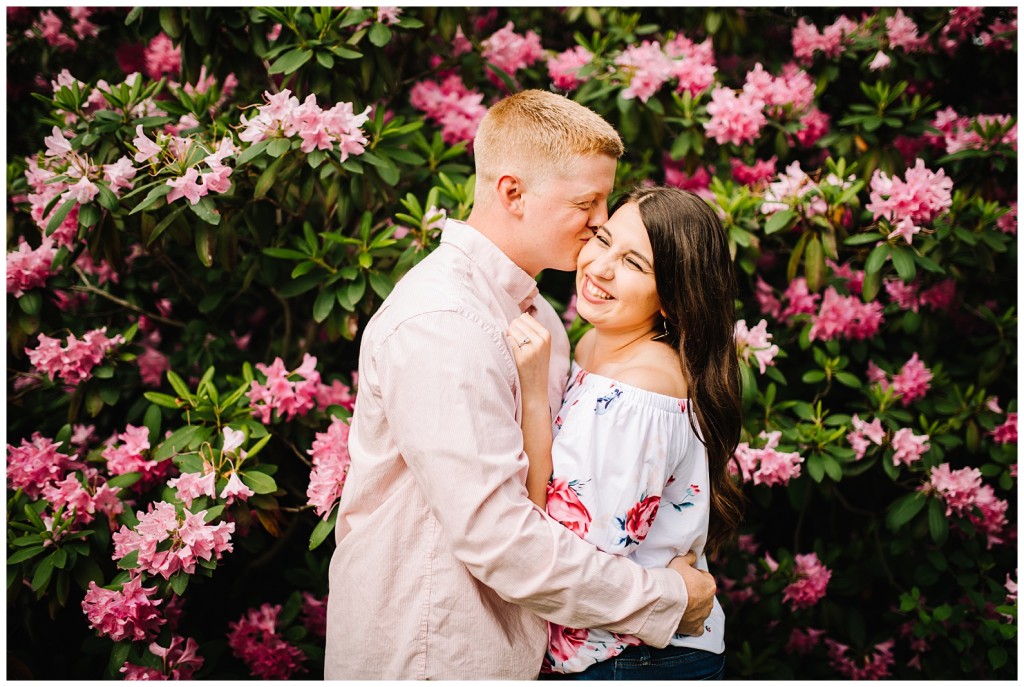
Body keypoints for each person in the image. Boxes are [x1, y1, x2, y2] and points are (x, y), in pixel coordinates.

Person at [324, 91, 717, 680]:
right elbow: (499, 536)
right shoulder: (444, 323)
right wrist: (666, 599)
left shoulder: (540, 315)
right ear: (512, 193)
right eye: (587, 202)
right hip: (432, 652)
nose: (599, 222)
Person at [506, 186, 745, 680]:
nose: (599, 267)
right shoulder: (600, 338)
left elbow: (564, 546)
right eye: (602, 239)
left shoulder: (639, 389)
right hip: (616, 649)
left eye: (634, 263)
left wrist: (532, 395)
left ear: (674, 301)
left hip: (636, 659)